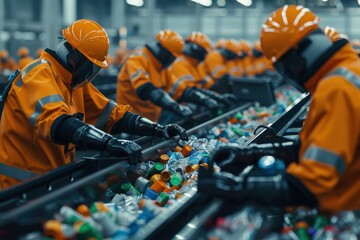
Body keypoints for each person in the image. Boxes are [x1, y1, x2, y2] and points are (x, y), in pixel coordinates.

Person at [199, 5, 360, 213]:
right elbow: (313, 150)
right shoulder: (347, 73)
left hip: (348, 209)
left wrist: (237, 187)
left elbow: (313, 183)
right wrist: (251, 153)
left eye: (284, 68)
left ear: (295, 60)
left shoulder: (336, 88)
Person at [0, 20, 188, 189]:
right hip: (18, 188)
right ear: (73, 57)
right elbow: (58, 122)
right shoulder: (38, 73)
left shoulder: (72, 82)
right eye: (90, 67)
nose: (90, 74)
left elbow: (114, 115)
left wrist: (157, 129)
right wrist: (109, 142)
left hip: (50, 183)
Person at [116, 30, 193, 122]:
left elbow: (177, 90)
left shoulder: (162, 68)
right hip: (130, 123)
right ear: (164, 53)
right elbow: (146, 89)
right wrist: (175, 107)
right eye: (171, 57)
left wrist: (202, 97)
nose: (172, 61)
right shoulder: (137, 60)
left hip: (151, 122)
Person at [165, 32, 237, 115]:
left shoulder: (195, 65)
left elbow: (201, 86)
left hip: (185, 105)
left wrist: (217, 97)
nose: (205, 56)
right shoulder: (180, 63)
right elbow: (187, 91)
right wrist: (206, 99)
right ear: (196, 50)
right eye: (204, 52)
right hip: (175, 107)